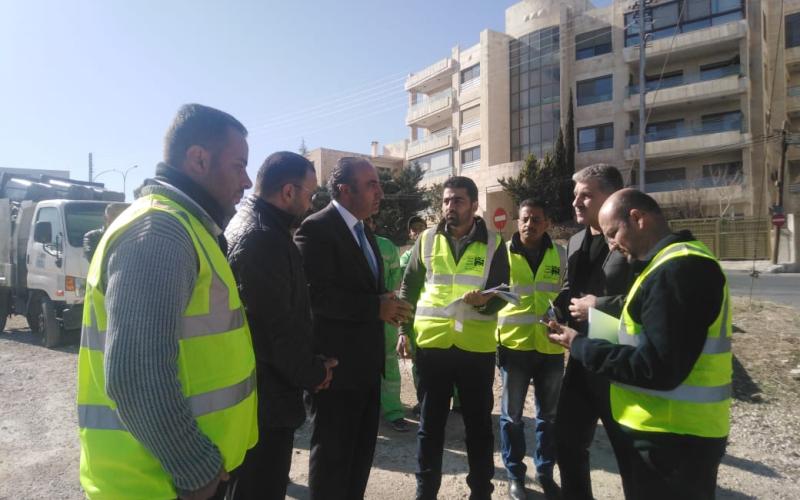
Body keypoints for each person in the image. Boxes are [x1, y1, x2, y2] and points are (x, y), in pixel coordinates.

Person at [77, 103, 257, 500]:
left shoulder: (184, 226)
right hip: (160, 484)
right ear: (198, 160)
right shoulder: (159, 230)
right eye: (239, 165)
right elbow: (136, 373)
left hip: (178, 479)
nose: (246, 181)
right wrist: (195, 467)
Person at [548, 188, 731, 500]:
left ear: (637, 218)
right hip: (666, 433)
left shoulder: (678, 270)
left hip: (673, 440)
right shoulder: (666, 264)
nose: (611, 245)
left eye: (613, 234)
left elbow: (656, 367)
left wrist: (579, 344)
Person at [294, 157, 413, 500]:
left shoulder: (365, 231)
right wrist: (375, 307)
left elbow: (361, 289)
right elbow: (315, 297)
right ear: (345, 190)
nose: (380, 193)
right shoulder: (316, 229)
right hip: (335, 373)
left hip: (367, 370)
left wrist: (387, 303)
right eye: (372, 184)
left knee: (359, 461)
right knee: (333, 463)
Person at [225, 151, 337, 499]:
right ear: (289, 191)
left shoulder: (258, 226)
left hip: (258, 395)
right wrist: (313, 372)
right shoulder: (262, 237)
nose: (311, 203)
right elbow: (273, 330)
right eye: (310, 194)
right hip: (265, 402)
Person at [398, 176, 510, 500]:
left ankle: (481, 493)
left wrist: (486, 302)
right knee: (430, 428)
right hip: (433, 348)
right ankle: (425, 493)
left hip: (476, 349)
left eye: (457, 201)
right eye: (446, 201)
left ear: (474, 205)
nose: (449, 207)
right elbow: (409, 288)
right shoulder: (426, 240)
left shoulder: (494, 243)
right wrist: (404, 331)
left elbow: (504, 293)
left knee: (479, 429)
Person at [552, 163, 634, 499]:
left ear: (612, 196)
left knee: (630, 453)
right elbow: (570, 289)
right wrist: (556, 311)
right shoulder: (574, 241)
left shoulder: (634, 236)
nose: (576, 202)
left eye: (586, 195)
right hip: (581, 354)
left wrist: (600, 305)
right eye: (575, 195)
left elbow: (650, 295)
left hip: (620, 359)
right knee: (567, 441)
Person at [496, 199, 566, 500]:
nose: (530, 224)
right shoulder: (502, 254)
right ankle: (515, 475)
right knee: (512, 417)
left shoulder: (560, 254)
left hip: (551, 346)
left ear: (547, 223)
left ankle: (545, 471)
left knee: (549, 416)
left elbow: (566, 291)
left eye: (537, 219)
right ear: (517, 221)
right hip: (514, 346)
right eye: (525, 219)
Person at [366, 216, 411, 433]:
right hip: (363, 314)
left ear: (374, 224)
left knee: (388, 363)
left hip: (383, 314)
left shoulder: (385, 246)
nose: (366, 223)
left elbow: (396, 278)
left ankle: (392, 411)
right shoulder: (346, 243)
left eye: (369, 220)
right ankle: (372, 411)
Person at [399, 214, 428, 417]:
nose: (418, 232)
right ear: (410, 234)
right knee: (419, 362)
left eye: (421, 227)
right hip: (414, 316)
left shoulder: (436, 252)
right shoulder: (406, 258)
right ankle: (423, 401)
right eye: (414, 229)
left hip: (435, 318)